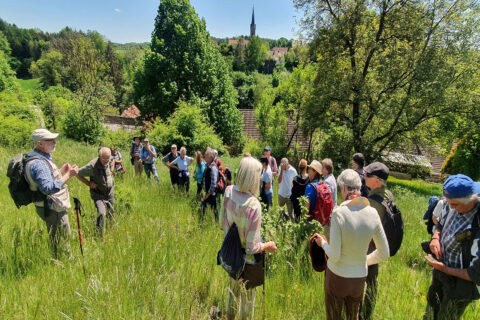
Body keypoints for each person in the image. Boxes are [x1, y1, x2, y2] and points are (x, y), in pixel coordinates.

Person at [313, 169, 389, 320]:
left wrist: (322, 244)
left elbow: (334, 255)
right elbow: (384, 253)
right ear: (360, 188)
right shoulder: (372, 213)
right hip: (359, 278)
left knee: (334, 316)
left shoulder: (339, 213)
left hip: (338, 277)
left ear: (343, 188)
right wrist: (363, 260)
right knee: (353, 316)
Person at [222, 156, 278, 320]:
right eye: (259, 175)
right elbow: (252, 248)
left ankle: (230, 317)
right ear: (253, 178)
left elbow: (221, 223)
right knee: (248, 300)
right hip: (248, 261)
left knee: (232, 292)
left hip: (230, 254)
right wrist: (268, 245)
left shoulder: (228, 191)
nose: (260, 178)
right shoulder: (254, 205)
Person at [424, 174, 480, 320]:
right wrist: (436, 238)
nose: (451, 207)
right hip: (440, 272)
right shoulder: (451, 204)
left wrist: (445, 268)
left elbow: (475, 274)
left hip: (460, 285)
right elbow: (440, 223)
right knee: (430, 313)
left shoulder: (478, 223)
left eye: (455, 204)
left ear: (471, 200)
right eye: (448, 203)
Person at [25, 129, 78, 258]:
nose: (55, 142)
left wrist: (60, 171)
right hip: (52, 208)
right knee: (61, 240)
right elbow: (48, 188)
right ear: (40, 144)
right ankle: (63, 264)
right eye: (50, 140)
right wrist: (68, 175)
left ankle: (60, 260)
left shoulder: (37, 157)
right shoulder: (38, 163)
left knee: (58, 237)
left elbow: (44, 181)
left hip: (49, 206)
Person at [360, 161, 393, 320]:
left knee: (363, 280)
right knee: (372, 281)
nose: (364, 176)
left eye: (368, 175)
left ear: (377, 181)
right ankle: (367, 311)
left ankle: (362, 313)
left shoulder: (373, 203)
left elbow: (363, 229)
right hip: (378, 244)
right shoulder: (387, 194)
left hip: (368, 247)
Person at [77, 147, 115, 239]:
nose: (106, 161)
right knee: (101, 213)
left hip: (109, 191)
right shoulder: (92, 166)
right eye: (104, 159)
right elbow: (77, 173)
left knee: (111, 212)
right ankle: (99, 237)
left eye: (108, 159)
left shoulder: (110, 159)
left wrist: (111, 171)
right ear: (99, 156)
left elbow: (113, 160)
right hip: (98, 194)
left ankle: (110, 230)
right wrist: (89, 183)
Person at [305, 160, 333, 239]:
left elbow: (306, 207)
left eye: (310, 169)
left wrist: (303, 220)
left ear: (315, 172)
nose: (308, 171)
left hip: (311, 219)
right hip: (320, 220)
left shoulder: (310, 187)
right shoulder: (322, 184)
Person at [202, 148, 219, 220]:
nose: (204, 155)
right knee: (213, 209)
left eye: (206, 155)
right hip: (209, 193)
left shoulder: (213, 168)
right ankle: (216, 222)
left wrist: (207, 195)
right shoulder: (207, 165)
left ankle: (216, 223)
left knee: (207, 209)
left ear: (210, 157)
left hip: (211, 194)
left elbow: (213, 184)